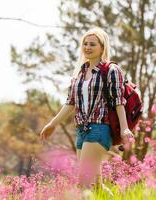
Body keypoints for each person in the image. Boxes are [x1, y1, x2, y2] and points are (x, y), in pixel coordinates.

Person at [40, 27, 134, 190]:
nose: (87, 47)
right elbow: (70, 103)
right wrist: (52, 124)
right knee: (96, 186)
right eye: (85, 44)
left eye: (92, 44)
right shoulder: (80, 73)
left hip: (99, 129)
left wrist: (124, 129)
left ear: (102, 47)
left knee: (83, 183)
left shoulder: (111, 70)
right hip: (81, 131)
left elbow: (119, 101)